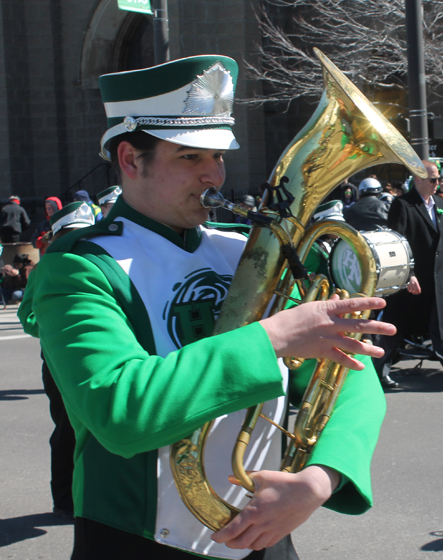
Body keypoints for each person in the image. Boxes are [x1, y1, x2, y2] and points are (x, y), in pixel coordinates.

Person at [19, 55, 396, 560]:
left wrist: (318, 479)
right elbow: (119, 410)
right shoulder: (78, 266)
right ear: (131, 159)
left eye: (218, 157)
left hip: (266, 532)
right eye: (190, 157)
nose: (214, 176)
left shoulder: (243, 250)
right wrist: (274, 338)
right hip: (134, 540)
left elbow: (348, 374)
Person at [373, 160, 443, 391]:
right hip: (412, 282)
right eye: (433, 180)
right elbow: (396, 243)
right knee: (396, 328)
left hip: (437, 280)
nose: (438, 184)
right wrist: (408, 274)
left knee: (442, 329)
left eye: (439, 180)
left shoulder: (440, 204)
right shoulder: (403, 205)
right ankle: (376, 374)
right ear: (418, 179)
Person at [23, 202, 96, 520]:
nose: (76, 241)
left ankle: (95, 496)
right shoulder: (45, 269)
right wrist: (55, 328)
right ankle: (65, 499)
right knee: (68, 429)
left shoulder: (100, 261)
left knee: (98, 426)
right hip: (59, 361)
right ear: (55, 238)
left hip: (97, 357)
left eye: (82, 234)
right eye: (69, 235)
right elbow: (27, 319)